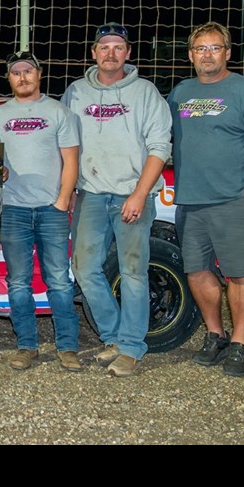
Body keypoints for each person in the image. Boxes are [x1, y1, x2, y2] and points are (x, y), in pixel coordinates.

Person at [168, 21, 244, 377]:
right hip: (190, 201)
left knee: (239, 273)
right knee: (198, 273)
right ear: (190, 55)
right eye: (201, 49)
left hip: (233, 201)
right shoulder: (180, 93)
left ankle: (240, 343)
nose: (208, 55)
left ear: (228, 53)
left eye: (215, 48)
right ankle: (216, 334)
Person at [62, 22, 172, 378]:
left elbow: (160, 147)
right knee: (84, 268)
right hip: (91, 195)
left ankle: (132, 347)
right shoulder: (75, 92)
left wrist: (139, 194)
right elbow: (63, 143)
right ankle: (113, 337)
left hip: (131, 196)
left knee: (133, 273)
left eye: (118, 47)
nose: (111, 53)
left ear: (128, 53)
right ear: (93, 53)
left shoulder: (145, 92)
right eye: (104, 47)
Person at [0, 51, 80, 372]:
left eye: (28, 71)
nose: (23, 77)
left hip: (51, 210)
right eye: (16, 72)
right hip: (13, 209)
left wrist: (62, 199)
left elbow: (71, 160)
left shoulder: (59, 112)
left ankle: (67, 347)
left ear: (39, 74)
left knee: (59, 281)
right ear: (9, 78)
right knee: (18, 283)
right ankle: (27, 345)